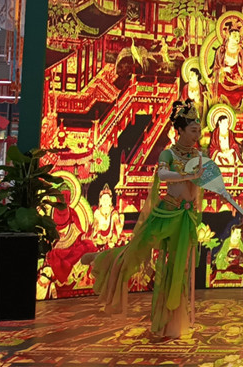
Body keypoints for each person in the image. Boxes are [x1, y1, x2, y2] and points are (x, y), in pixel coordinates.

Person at [83, 100, 208, 339]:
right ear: (179, 130)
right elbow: (163, 175)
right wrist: (188, 174)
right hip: (166, 213)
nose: (197, 135)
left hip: (184, 218)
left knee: (177, 270)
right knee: (136, 251)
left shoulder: (197, 155)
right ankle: (101, 259)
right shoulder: (168, 154)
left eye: (198, 131)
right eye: (193, 130)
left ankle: (169, 323)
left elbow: (197, 185)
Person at [212, 25, 243, 109]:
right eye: (234, 36)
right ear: (228, 36)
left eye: (238, 36)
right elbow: (215, 69)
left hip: (238, 84)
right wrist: (224, 69)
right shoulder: (221, 51)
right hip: (224, 83)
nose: (237, 38)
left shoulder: (240, 52)